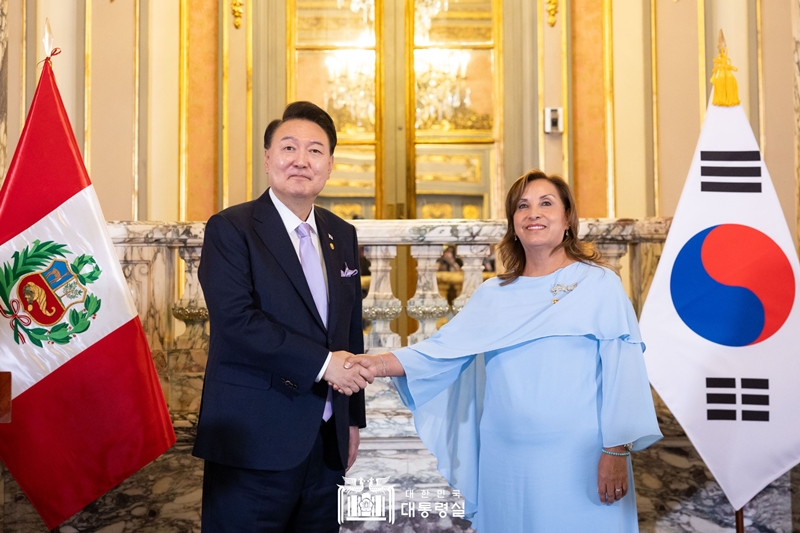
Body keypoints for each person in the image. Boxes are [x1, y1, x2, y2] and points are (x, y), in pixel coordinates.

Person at [344, 170, 662, 532]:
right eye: (522, 206)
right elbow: (439, 351)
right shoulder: (493, 294)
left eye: (546, 203)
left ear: (568, 219)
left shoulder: (599, 284)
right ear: (513, 223)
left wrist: (616, 451)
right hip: (505, 460)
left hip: (580, 459)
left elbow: (624, 372)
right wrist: (373, 363)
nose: (534, 213)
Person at [193, 101, 374, 533]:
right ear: (269, 158)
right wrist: (325, 364)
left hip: (326, 441)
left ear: (329, 165)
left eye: (315, 151)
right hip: (253, 440)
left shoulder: (341, 234)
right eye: (289, 147)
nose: (301, 160)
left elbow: (350, 329)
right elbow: (237, 323)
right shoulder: (230, 229)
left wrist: (352, 420)